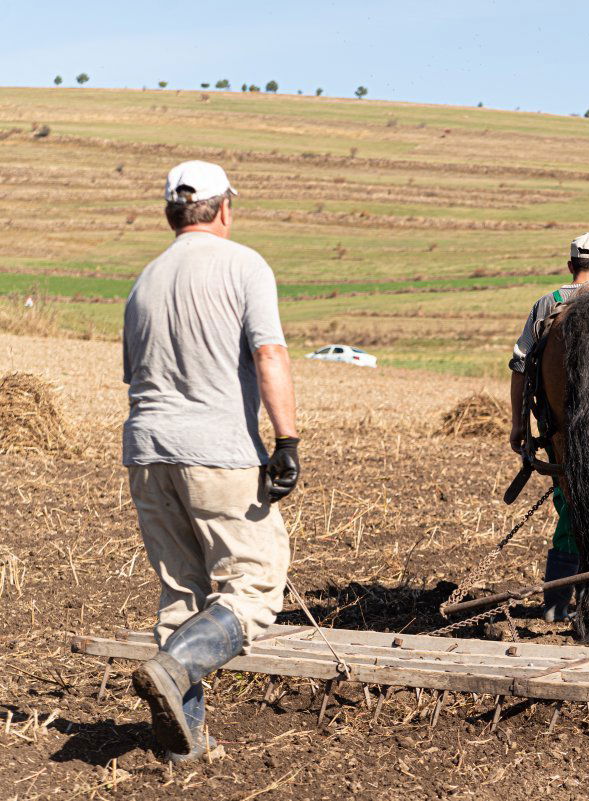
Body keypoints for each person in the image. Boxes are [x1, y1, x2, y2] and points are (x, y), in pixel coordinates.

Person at [122, 161, 300, 762]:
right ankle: (173, 671)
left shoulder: (143, 281)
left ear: (171, 213)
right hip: (216, 452)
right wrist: (287, 441)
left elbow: (136, 375)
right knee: (252, 588)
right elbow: (269, 352)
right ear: (225, 208)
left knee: (181, 593)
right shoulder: (243, 264)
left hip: (147, 452)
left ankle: (186, 745)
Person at [508, 232, 589, 622]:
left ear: (571, 267)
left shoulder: (547, 305)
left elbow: (520, 365)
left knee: (569, 504)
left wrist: (519, 424)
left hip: (560, 431)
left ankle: (556, 603)